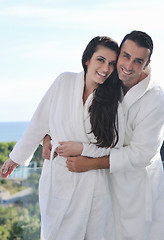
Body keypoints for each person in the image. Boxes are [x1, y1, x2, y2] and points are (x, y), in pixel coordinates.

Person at [42, 31, 164, 240]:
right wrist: (47, 135)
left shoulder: (155, 98)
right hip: (103, 186)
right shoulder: (108, 79)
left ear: (147, 64)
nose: (129, 65)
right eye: (125, 56)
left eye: (138, 61)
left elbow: (141, 154)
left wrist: (90, 163)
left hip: (135, 187)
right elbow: (74, 114)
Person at [1, 36, 125, 240]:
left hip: (92, 183)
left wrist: (82, 149)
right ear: (87, 59)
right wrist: (16, 157)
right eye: (100, 60)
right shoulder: (64, 81)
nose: (106, 68)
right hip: (57, 177)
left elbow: (114, 146)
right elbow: (40, 120)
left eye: (112, 63)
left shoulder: (113, 99)